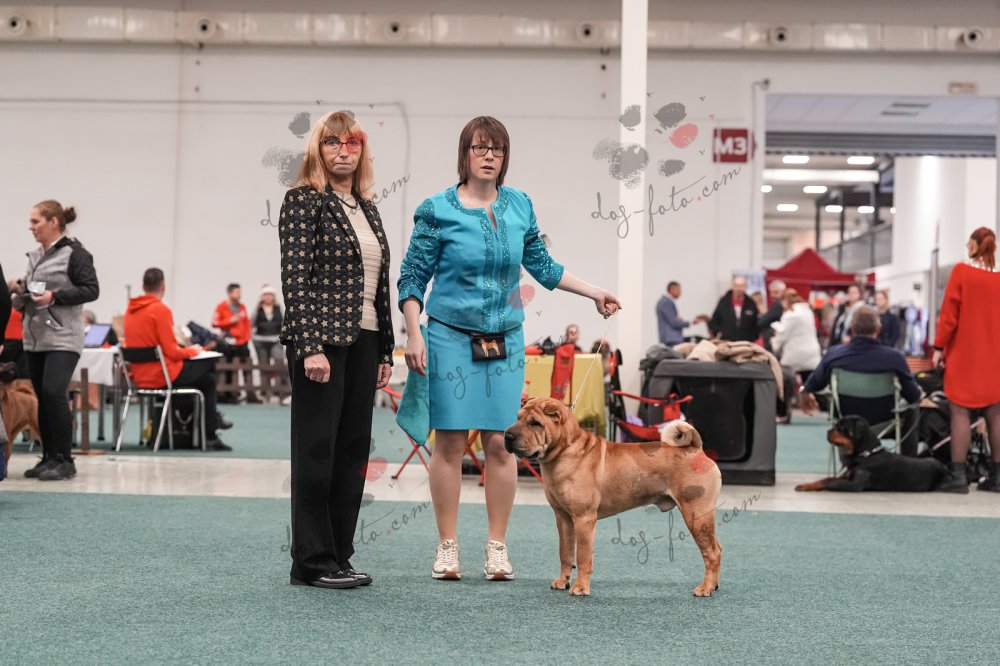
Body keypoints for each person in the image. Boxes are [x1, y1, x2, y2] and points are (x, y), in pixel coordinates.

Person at [398, 115, 621, 582]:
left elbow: (544, 266)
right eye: (479, 148)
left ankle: (497, 547)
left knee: (502, 443)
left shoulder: (520, 204)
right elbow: (412, 277)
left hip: (505, 342)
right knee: (450, 443)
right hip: (448, 337)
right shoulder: (435, 209)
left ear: (505, 157)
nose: (489, 157)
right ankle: (447, 546)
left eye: (497, 150)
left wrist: (595, 292)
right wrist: (413, 332)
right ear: (464, 154)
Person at [279, 110, 395, 589]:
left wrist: (385, 349)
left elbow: (378, 285)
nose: (343, 151)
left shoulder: (368, 208)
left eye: (351, 143)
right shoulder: (303, 200)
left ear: (362, 149)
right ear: (318, 149)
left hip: (365, 341)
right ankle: (311, 562)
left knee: (351, 455)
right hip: (321, 344)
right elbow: (295, 279)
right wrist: (310, 347)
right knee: (317, 453)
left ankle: (338, 554)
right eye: (332, 143)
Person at [11, 200, 99, 481]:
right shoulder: (36, 254)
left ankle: (65, 460)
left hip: (63, 337)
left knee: (53, 392)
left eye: (35, 221)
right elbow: (37, 286)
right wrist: (21, 293)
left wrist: (55, 297)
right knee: (42, 396)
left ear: (53, 222)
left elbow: (91, 289)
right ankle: (48, 457)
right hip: (35, 337)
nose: (31, 227)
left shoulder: (75, 253)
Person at [124, 268, 232, 451]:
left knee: (206, 379)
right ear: (163, 286)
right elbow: (172, 352)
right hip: (162, 375)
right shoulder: (160, 310)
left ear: (143, 286)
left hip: (140, 377)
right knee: (208, 367)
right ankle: (210, 430)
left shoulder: (130, 310)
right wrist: (193, 350)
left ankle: (208, 426)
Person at [799, 307, 921, 456]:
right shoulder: (895, 358)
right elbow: (913, 396)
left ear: (852, 329)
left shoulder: (834, 355)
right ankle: (908, 462)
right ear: (879, 329)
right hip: (886, 422)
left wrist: (804, 392)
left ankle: (849, 461)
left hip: (848, 424)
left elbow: (813, 384)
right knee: (913, 411)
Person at [932, 227, 1000, 493]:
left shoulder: (962, 272)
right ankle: (997, 476)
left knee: (960, 412)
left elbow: (949, 316)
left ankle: (958, 476)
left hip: (966, 354)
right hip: (995, 355)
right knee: (996, 414)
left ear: (973, 246)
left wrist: (939, 347)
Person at [212, 283, 257, 403]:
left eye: (240, 292)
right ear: (229, 293)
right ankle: (228, 395)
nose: (239, 295)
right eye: (236, 292)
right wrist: (229, 321)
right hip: (228, 343)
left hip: (242, 342)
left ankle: (250, 394)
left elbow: (247, 324)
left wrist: (246, 338)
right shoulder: (221, 307)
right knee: (228, 368)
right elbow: (215, 322)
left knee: (247, 366)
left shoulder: (242, 307)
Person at [771, 289, 821, 381]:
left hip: (795, 355)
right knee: (808, 382)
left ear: (785, 301)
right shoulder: (808, 311)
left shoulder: (789, 315)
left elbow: (782, 337)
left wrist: (774, 343)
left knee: (789, 382)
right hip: (812, 353)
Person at [252, 284, 290, 403]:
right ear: (262, 296)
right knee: (264, 365)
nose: (268, 297)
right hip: (260, 340)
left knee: (278, 362)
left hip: (276, 340)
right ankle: (265, 391)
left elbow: (284, 322)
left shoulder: (279, 308)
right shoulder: (257, 309)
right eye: (266, 294)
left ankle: (280, 390)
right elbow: (251, 323)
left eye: (270, 294)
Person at [708, 276, 759, 342]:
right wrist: (719, 333)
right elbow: (714, 320)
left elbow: (756, 323)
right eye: (736, 285)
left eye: (741, 286)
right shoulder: (724, 302)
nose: (738, 288)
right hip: (726, 341)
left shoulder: (751, 303)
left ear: (746, 287)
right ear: (732, 286)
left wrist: (753, 337)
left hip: (746, 342)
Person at [655, 281, 706, 346]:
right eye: (679, 290)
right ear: (672, 289)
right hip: (672, 339)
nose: (680, 293)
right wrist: (690, 322)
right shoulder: (666, 302)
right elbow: (674, 323)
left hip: (669, 338)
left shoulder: (665, 302)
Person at [828, 283, 865, 348]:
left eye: (854, 293)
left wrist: (851, 338)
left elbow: (863, 330)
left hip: (852, 345)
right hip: (838, 343)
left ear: (860, 294)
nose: (851, 295)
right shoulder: (844, 308)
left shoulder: (862, 310)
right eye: (850, 292)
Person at [758, 279, 786, 351]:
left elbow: (762, 322)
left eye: (776, 292)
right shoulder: (782, 305)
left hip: (775, 344)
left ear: (784, 292)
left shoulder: (778, 305)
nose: (772, 295)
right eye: (771, 292)